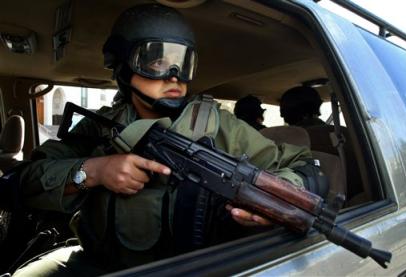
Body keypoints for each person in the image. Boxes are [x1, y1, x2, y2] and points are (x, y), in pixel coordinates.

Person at [14, 4, 318, 276]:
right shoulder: (100, 127)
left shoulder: (217, 126)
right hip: (93, 262)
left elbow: (305, 167)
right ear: (123, 66)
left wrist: (272, 203)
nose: (175, 75)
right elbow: (26, 180)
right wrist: (94, 171)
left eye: (183, 62)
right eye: (156, 61)